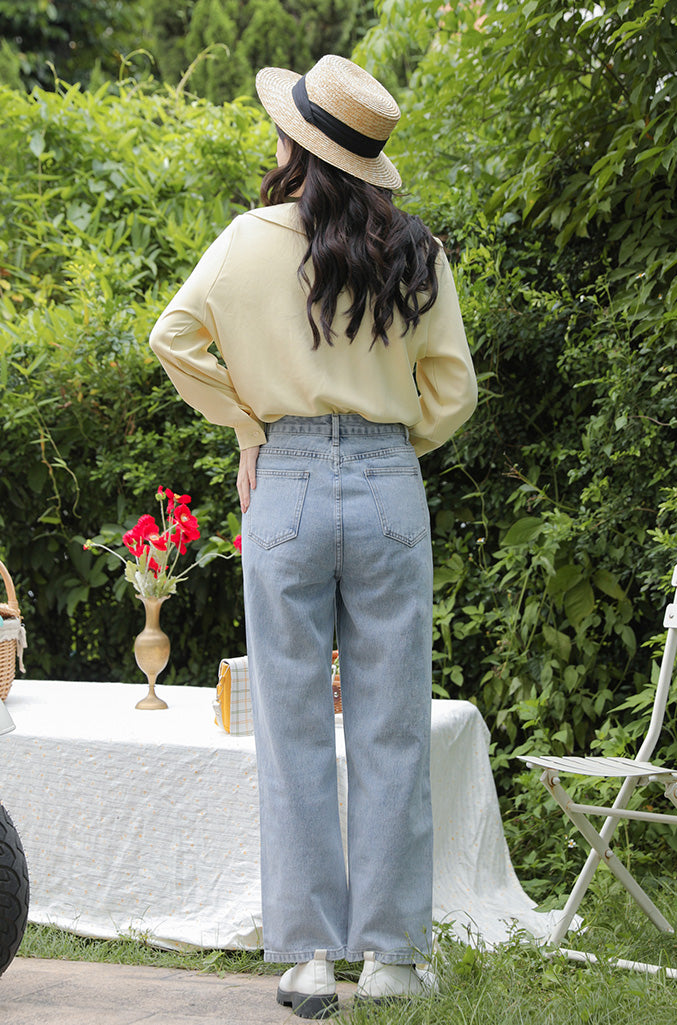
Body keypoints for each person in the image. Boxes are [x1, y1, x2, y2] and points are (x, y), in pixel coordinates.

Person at [149, 54, 477, 1018]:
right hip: (385, 484)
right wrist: (387, 440)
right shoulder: (414, 248)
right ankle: (392, 956)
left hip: (284, 484)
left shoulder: (247, 241)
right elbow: (452, 390)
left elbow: (174, 337)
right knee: (390, 724)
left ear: (298, 143)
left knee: (292, 724)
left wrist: (253, 424)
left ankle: (307, 959)